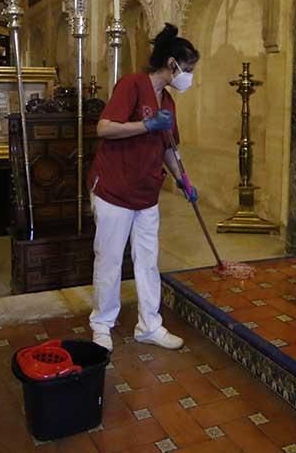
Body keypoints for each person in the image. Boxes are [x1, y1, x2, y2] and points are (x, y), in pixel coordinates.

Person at [88, 23, 200, 351]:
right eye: (188, 69)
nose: (188, 77)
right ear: (171, 64)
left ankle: (150, 324)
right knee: (109, 259)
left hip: (146, 192)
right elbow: (105, 128)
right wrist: (145, 125)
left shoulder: (168, 101)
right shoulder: (132, 85)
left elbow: (168, 147)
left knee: (148, 260)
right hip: (114, 188)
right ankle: (101, 324)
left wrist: (183, 180)